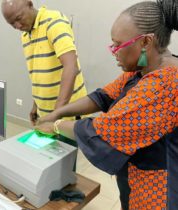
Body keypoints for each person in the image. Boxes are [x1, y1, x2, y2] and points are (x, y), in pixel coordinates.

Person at [36, 0, 178, 209]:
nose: (114, 51)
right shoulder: (143, 69)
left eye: (118, 45)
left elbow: (101, 130)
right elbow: (102, 97)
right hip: (134, 176)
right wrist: (58, 112)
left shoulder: (164, 86)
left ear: (146, 42)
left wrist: (54, 126)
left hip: (155, 191)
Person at [1, 0, 88, 125]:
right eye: (12, 24)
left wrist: (57, 112)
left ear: (30, 5)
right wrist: (36, 105)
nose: (18, 26)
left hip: (68, 113)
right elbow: (37, 73)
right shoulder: (26, 34)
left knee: (66, 145)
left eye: (19, 18)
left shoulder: (54, 22)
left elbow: (71, 67)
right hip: (47, 114)